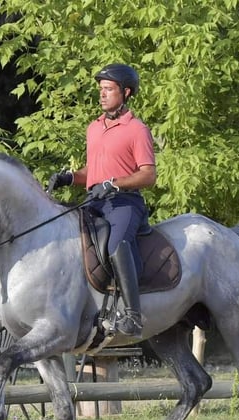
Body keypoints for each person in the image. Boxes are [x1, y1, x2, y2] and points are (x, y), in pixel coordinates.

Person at [48, 63, 157, 339]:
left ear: (126, 92)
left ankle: (133, 315)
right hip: (94, 201)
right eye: (101, 90)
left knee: (115, 244)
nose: (103, 94)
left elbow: (148, 175)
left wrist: (114, 183)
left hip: (124, 204)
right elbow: (93, 173)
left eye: (108, 89)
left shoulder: (137, 129)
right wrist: (70, 178)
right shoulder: (93, 128)